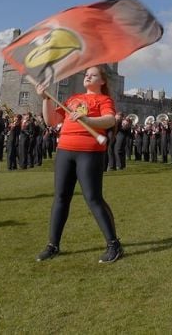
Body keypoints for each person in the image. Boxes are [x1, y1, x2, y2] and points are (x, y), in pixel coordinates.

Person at [35, 66, 123, 264]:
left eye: (93, 74)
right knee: (60, 198)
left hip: (89, 152)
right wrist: (45, 99)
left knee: (93, 198)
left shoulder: (103, 100)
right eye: (86, 74)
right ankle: (53, 245)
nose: (88, 76)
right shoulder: (72, 98)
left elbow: (109, 120)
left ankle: (113, 244)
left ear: (102, 81)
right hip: (65, 150)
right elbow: (52, 121)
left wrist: (86, 119)